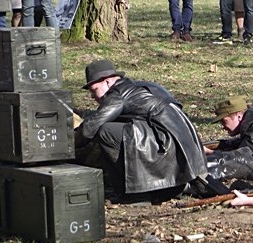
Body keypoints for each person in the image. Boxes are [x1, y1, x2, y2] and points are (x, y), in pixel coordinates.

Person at [74, 59, 222, 202]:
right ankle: (158, 190)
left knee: (106, 131)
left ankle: (134, 194)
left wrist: (67, 144)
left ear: (107, 81)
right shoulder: (138, 87)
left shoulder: (117, 94)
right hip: (184, 143)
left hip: (168, 142)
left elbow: (90, 127)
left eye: (94, 90)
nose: (92, 96)